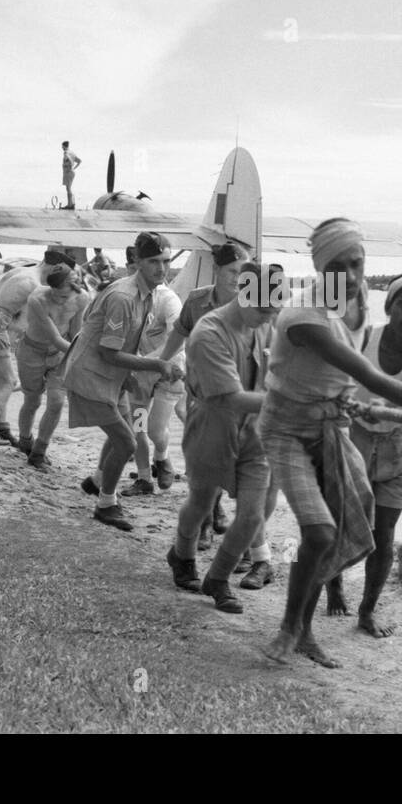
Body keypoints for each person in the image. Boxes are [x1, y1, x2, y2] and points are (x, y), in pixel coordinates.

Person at [259, 218, 402, 668]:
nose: (352, 274)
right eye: (339, 265)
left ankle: (326, 619)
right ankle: (292, 628)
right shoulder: (305, 317)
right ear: (321, 268)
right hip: (287, 431)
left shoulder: (360, 304)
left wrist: (348, 402)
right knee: (321, 531)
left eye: (358, 262)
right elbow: (368, 375)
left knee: (362, 531)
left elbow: (379, 383)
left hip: (335, 429)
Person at [325, 274, 402, 637]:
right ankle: (333, 582)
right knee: (340, 524)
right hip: (355, 441)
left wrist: (385, 399)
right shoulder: (364, 337)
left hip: (401, 448)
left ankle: (366, 611)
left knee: (384, 534)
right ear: (388, 306)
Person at [168, 262, 283, 613]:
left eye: (274, 311)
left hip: (256, 430)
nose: (269, 318)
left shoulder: (263, 326)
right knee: (201, 503)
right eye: (264, 310)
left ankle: (218, 578)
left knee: (252, 514)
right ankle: (182, 555)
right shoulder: (208, 333)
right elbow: (229, 399)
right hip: (212, 425)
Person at [65, 231, 184, 531]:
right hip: (91, 375)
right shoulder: (123, 297)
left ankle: (97, 482)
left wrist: (131, 374)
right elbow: (108, 351)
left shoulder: (150, 294)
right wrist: (157, 364)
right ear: (137, 262)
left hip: (113, 376)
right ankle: (106, 504)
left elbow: (124, 346)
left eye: (166, 261)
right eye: (154, 261)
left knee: (125, 431)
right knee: (127, 442)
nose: (162, 268)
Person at [159, 242, 251, 540]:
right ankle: (206, 520)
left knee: (236, 458)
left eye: (244, 271)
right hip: (203, 394)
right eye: (232, 271)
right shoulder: (198, 301)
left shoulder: (255, 303)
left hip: (241, 393)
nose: (238, 278)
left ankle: (218, 511)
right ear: (217, 269)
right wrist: (159, 366)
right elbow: (179, 335)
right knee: (204, 458)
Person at [0, 249, 73, 447]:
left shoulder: (19, 272)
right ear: (56, 267)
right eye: (63, 273)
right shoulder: (34, 286)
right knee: (9, 380)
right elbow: (24, 324)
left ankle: (2, 428)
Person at [122, 245, 185, 495]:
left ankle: (162, 457)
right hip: (139, 373)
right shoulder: (124, 297)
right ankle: (145, 478)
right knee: (137, 426)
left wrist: (142, 362)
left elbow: (176, 338)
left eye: (165, 262)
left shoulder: (167, 299)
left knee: (156, 429)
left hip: (169, 371)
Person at [16, 264, 90, 470]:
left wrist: (82, 355)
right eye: (56, 296)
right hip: (32, 352)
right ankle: (25, 440)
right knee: (32, 401)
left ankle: (39, 451)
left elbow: (75, 334)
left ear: (74, 289)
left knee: (57, 402)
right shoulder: (37, 299)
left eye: (65, 297)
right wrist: (86, 357)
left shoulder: (82, 298)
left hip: (59, 356)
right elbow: (56, 338)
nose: (60, 300)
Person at [60, 141, 82, 210]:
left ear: (64, 146)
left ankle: (70, 205)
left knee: (68, 188)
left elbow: (68, 159)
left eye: (62, 146)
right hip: (72, 172)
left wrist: (68, 167)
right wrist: (73, 168)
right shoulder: (72, 152)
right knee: (69, 188)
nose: (61, 147)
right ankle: (71, 203)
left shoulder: (66, 152)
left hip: (68, 172)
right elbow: (79, 161)